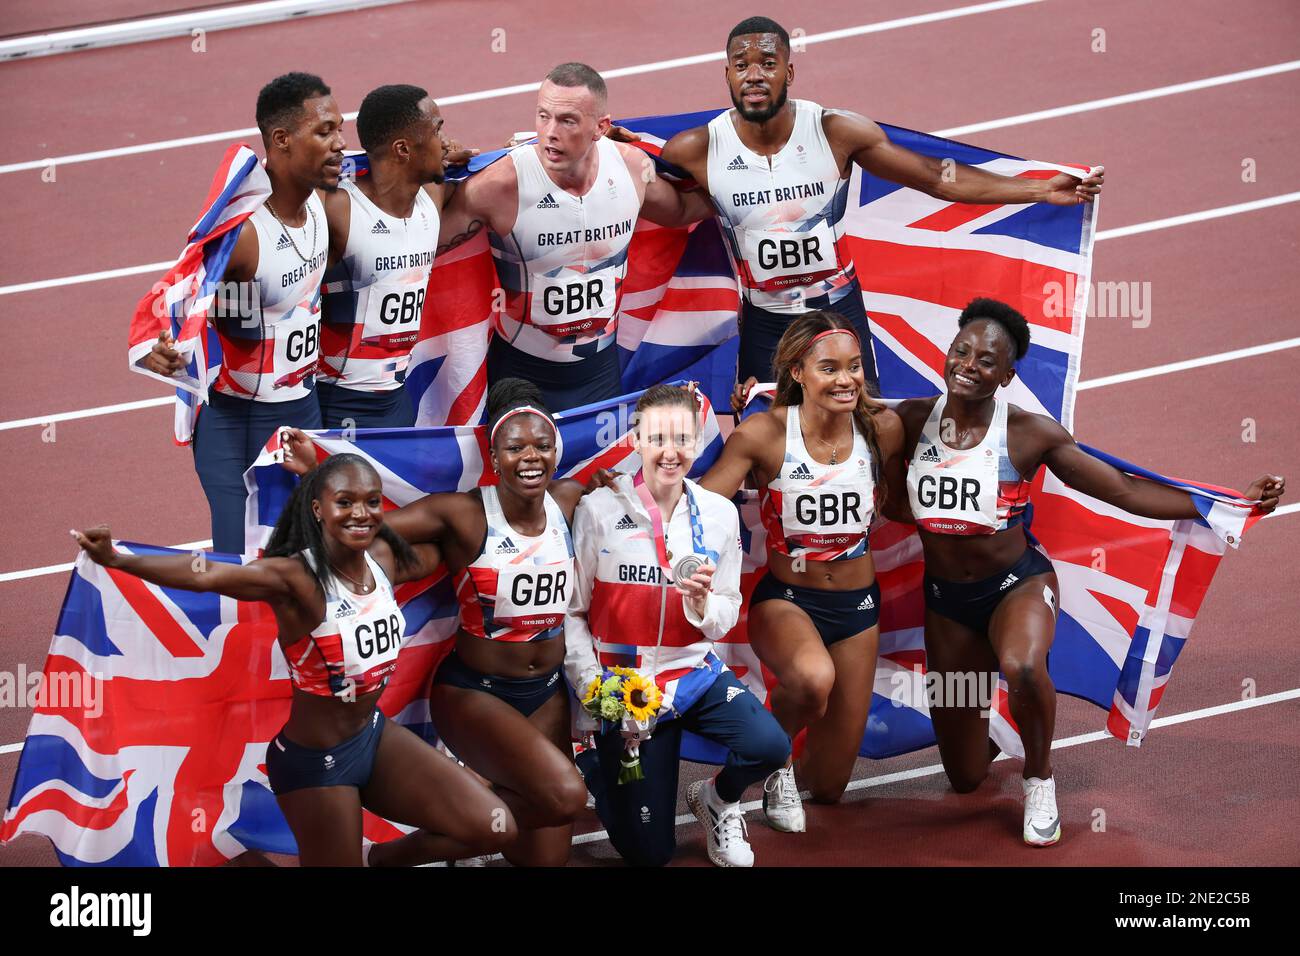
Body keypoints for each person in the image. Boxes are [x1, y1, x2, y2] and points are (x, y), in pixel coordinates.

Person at [886, 297, 1286, 845]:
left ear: (1006, 375)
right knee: (965, 776)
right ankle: (1000, 722)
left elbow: (1122, 489)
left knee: (1024, 667)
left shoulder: (1029, 433)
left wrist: (1220, 504)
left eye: (986, 360)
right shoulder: (907, 421)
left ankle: (1039, 777)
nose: (969, 365)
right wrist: (762, 397)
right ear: (948, 352)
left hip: (1016, 587)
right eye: (962, 351)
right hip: (947, 606)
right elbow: (834, 432)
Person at [72, 454, 516, 866]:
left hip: (376, 738)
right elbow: (207, 575)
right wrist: (118, 560)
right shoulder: (296, 579)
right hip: (315, 762)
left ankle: (374, 860)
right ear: (318, 509)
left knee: (492, 826)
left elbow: (456, 549)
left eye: (372, 501)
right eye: (345, 502)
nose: (360, 513)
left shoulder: (383, 559)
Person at [657, 16, 1105, 397]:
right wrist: (619, 166)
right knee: (763, 443)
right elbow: (671, 210)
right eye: (742, 66)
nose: (754, 75)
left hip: (837, 312)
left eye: (768, 65)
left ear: (789, 73)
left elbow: (934, 177)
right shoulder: (698, 149)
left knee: (862, 439)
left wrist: (1040, 190)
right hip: (765, 322)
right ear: (728, 75)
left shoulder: (835, 131)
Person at [281, 378, 589, 866]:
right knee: (568, 796)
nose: (530, 457)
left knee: (544, 859)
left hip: (546, 694)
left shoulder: (571, 499)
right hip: (477, 692)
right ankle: (391, 855)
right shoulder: (463, 513)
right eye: (515, 447)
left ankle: (485, 800)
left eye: (542, 446)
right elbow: (365, 525)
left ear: (557, 450)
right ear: (494, 455)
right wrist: (316, 473)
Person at [698, 310, 906, 835]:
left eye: (855, 367)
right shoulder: (764, 434)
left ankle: (783, 767)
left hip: (858, 610)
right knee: (813, 680)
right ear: (797, 373)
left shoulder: (883, 427)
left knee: (831, 787)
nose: (846, 380)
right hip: (787, 599)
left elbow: (906, 500)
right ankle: (760, 769)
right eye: (829, 368)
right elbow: (700, 506)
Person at [566, 384, 791, 867]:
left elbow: (728, 608)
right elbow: (573, 611)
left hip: (692, 674)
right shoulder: (599, 511)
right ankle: (596, 765)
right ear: (637, 442)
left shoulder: (719, 514)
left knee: (770, 746)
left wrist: (704, 605)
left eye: (683, 439)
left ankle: (717, 799)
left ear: (697, 443)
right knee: (648, 854)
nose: (671, 452)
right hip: (624, 687)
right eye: (659, 438)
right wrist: (594, 688)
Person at [137, 72, 344, 553]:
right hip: (236, 426)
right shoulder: (245, 236)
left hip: (302, 411)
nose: (339, 144)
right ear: (281, 140)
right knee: (244, 568)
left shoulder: (326, 201)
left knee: (308, 556)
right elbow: (176, 288)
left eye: (339, 129)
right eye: (325, 132)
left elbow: (391, 166)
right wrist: (155, 345)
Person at [436, 62, 714, 412]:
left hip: (600, 371)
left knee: (600, 468)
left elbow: (683, 211)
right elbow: (422, 245)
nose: (550, 132)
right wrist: (431, 177)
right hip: (520, 374)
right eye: (543, 116)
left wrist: (756, 188)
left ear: (601, 127)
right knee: (524, 467)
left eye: (567, 120)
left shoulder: (630, 168)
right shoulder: (502, 183)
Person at [316, 84, 466, 429]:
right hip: (337, 401)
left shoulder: (431, 197)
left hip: (398, 399)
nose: (445, 140)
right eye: (437, 130)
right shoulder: (339, 209)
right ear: (402, 149)